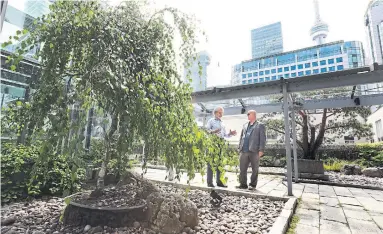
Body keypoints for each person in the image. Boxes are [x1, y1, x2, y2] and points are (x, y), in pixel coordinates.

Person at [206, 106, 237, 188]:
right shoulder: (211, 121)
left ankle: (219, 181)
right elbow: (206, 131)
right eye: (219, 112)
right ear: (215, 113)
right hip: (212, 143)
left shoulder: (222, 123)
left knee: (220, 163)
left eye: (222, 113)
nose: (221, 114)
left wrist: (230, 134)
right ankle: (209, 182)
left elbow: (224, 135)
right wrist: (213, 131)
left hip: (221, 143)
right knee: (211, 162)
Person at [237, 110, 266, 190]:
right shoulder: (245, 125)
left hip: (255, 151)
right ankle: (243, 184)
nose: (247, 115)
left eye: (248, 114)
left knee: (255, 169)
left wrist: (261, 150)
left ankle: (252, 185)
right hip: (244, 150)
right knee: (242, 168)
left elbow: (263, 139)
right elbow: (241, 137)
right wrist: (239, 147)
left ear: (253, 115)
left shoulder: (260, 125)